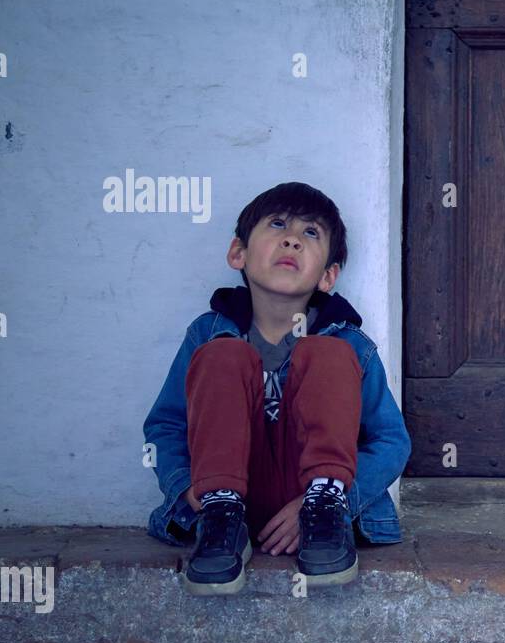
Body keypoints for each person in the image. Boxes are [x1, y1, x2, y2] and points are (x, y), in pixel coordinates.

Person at [142, 182, 411, 596]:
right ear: (239, 254)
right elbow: (165, 426)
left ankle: (324, 507)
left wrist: (317, 505)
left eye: (310, 233)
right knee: (223, 356)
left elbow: (391, 440)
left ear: (328, 275)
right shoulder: (208, 335)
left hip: (316, 501)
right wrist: (187, 489)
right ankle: (223, 518)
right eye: (279, 225)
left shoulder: (350, 345)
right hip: (222, 500)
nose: (291, 239)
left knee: (329, 354)